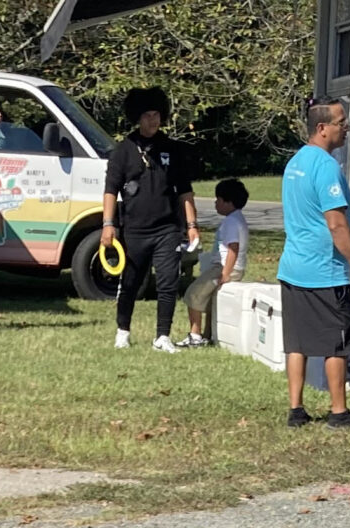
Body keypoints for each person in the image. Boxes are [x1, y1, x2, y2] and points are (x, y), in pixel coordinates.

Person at [279, 99, 350, 430]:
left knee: (297, 342)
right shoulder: (326, 167)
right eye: (341, 122)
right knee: (338, 342)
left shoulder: (295, 163)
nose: (345, 128)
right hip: (323, 271)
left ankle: (296, 409)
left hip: (293, 267)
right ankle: (338, 413)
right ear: (322, 129)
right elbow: (336, 224)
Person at [102, 87, 197, 352]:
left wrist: (191, 225)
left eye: (156, 114)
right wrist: (108, 225)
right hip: (134, 230)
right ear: (137, 117)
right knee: (131, 282)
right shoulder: (123, 150)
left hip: (167, 228)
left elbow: (185, 190)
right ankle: (123, 331)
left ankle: (162, 336)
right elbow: (111, 190)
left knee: (168, 281)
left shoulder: (172, 148)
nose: (152, 120)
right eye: (147, 115)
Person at [184, 177, 247, 348]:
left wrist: (225, 273)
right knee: (211, 300)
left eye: (218, 200)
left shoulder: (231, 222)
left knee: (193, 293)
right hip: (230, 267)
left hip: (225, 268)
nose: (215, 203)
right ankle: (208, 334)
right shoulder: (237, 219)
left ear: (229, 202)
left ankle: (195, 334)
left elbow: (233, 247)